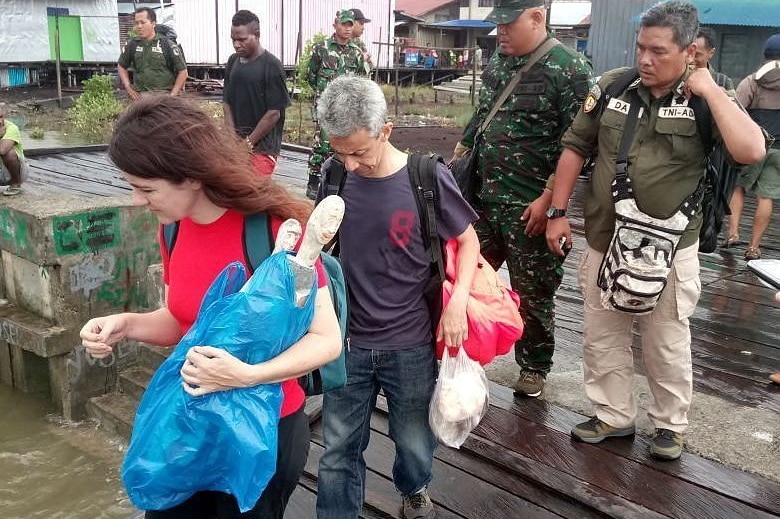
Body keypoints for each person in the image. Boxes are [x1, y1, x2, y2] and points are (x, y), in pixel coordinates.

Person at [79, 96, 342, 518]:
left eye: (146, 188)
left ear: (191, 177)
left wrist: (247, 374)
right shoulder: (173, 231)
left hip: (261, 430)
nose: (136, 200)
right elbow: (181, 321)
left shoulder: (272, 230)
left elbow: (326, 340)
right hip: (190, 425)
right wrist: (124, 324)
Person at [545, 0, 765, 460]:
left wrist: (710, 91)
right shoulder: (612, 86)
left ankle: (670, 425)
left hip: (670, 249)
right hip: (605, 239)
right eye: (641, 47)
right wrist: (557, 211)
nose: (646, 59)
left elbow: (750, 151)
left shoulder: (709, 97)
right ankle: (612, 414)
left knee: (666, 338)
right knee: (602, 334)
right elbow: (574, 150)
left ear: (690, 52)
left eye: (659, 51)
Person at [314, 76, 480, 519]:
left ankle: (414, 489)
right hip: (346, 343)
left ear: (385, 130)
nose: (348, 164)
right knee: (337, 450)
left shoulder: (426, 176)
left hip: (410, 342)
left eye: (358, 152)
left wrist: (458, 302)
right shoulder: (333, 176)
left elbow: (468, 241)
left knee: (413, 441)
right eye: (339, 152)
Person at [450, 0, 593, 398]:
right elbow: (481, 116)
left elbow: (580, 143)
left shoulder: (570, 69)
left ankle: (533, 366)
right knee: (467, 278)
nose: (501, 34)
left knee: (535, 292)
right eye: (496, 27)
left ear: (536, 18)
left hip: (529, 206)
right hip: (482, 199)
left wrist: (551, 200)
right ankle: (461, 349)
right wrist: (461, 154)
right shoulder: (499, 63)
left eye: (508, 25)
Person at [724, 34, 780, 260]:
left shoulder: (752, 81)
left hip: (754, 144)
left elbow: (735, 110)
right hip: (779, 150)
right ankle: (754, 247)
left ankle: (733, 233)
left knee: (738, 186)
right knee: (766, 196)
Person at [304, 9, 369, 199]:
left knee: (344, 144)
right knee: (322, 143)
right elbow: (311, 75)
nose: (348, 29)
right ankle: (313, 181)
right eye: (344, 24)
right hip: (325, 105)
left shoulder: (356, 53)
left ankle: (336, 182)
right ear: (335, 25)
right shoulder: (321, 48)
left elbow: (360, 80)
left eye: (351, 25)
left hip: (346, 107)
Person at [223, 10, 290, 176]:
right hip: (236, 148)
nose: (237, 44)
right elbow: (227, 103)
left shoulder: (272, 66)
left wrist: (247, 143)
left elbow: (274, 113)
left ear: (257, 35)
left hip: (262, 149)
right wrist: (232, 139)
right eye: (233, 40)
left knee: (252, 194)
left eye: (242, 39)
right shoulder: (232, 62)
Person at [118, 7, 188, 100]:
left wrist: (172, 96)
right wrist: (128, 87)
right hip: (140, 98)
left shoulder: (166, 44)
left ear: (153, 23)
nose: (139, 26)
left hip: (163, 97)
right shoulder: (132, 44)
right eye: (137, 23)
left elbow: (183, 72)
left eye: (143, 22)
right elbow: (121, 65)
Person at [692, 27, 734, 91]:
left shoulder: (723, 82)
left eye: (696, 55)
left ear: (711, 53)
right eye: (687, 53)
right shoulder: (674, 79)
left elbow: (731, 100)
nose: (690, 59)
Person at [0, 104, 26, 196]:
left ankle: (15, 185)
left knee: (9, 153)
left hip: (12, 172)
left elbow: (2, 150)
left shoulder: (12, 128)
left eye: (1, 117)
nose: (0, 121)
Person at [349, 7, 374, 71]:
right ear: (351, 23)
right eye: (361, 23)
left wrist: (366, 59)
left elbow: (370, 67)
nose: (363, 28)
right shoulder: (338, 42)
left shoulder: (359, 43)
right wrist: (362, 59)